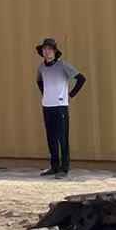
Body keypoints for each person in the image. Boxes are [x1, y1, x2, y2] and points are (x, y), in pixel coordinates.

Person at [34, 38, 86, 177]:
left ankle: (64, 168)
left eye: (50, 49)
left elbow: (81, 79)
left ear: (55, 51)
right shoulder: (41, 67)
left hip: (60, 107)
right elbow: (39, 81)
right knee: (51, 138)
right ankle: (54, 166)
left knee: (62, 138)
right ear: (42, 51)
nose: (47, 51)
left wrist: (71, 94)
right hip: (47, 106)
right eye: (45, 49)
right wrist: (45, 93)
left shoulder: (63, 66)